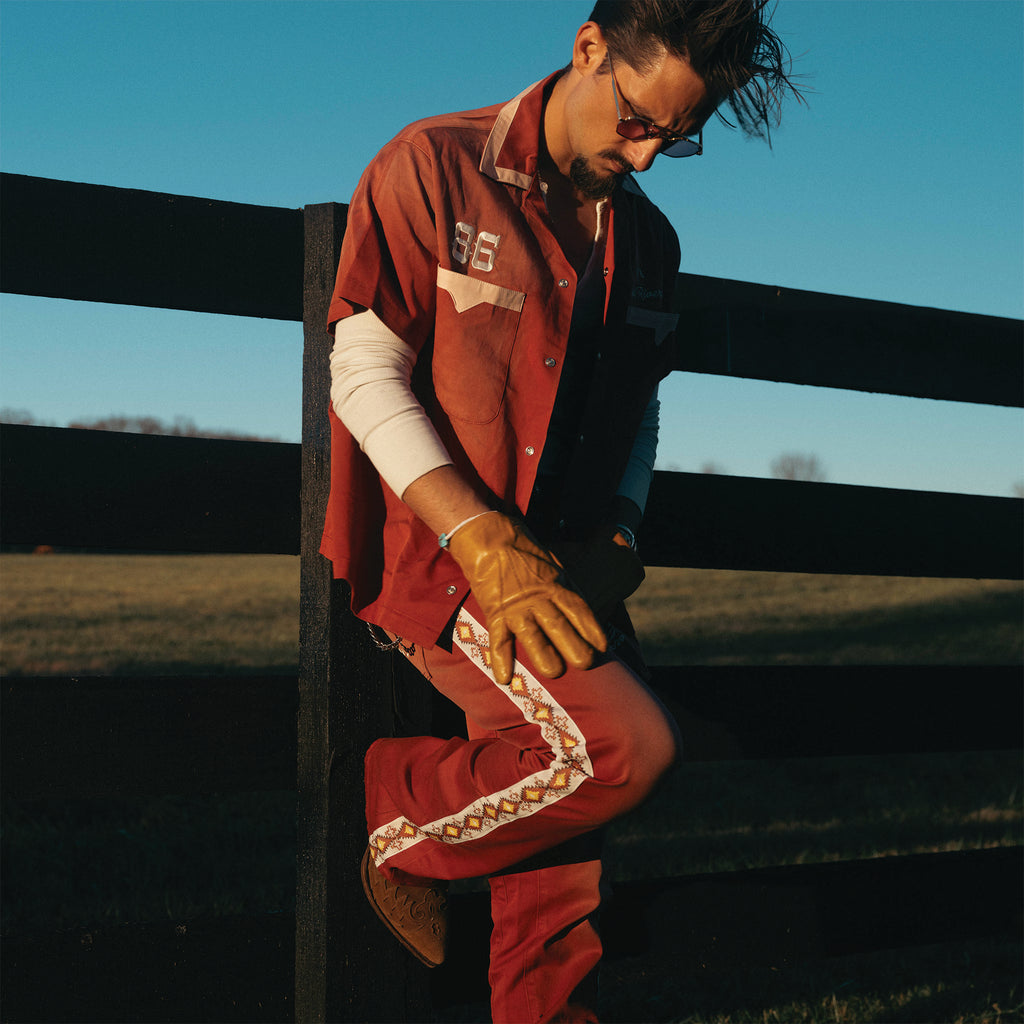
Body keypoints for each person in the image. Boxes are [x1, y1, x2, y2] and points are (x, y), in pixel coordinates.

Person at [320, 2, 802, 1019]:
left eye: (679, 135)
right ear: (589, 49)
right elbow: (363, 369)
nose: (651, 156)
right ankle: (405, 814)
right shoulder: (431, 164)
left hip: (572, 571)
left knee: (563, 856)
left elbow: (640, 405)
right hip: (448, 562)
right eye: (637, 120)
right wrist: (483, 539)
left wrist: (624, 523)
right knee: (622, 748)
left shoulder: (650, 239)